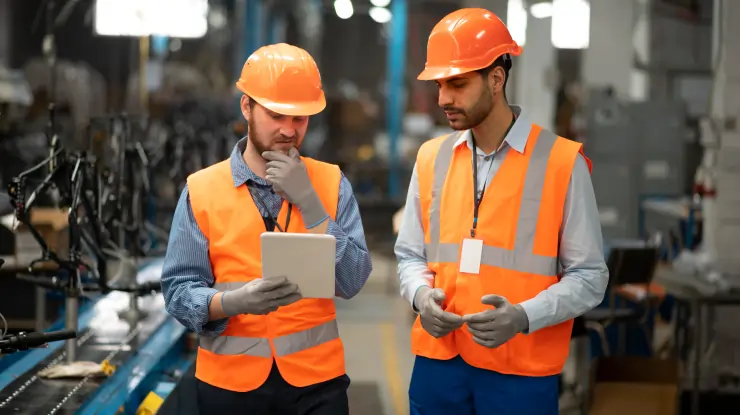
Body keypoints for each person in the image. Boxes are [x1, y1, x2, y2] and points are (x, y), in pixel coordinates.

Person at [394, 8, 609, 415]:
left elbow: (590, 276)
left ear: (496, 78)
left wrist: (524, 317)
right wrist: (422, 297)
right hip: (439, 366)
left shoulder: (562, 164)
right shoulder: (431, 158)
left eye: (457, 84)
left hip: (520, 371)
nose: (443, 98)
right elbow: (409, 255)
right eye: (440, 84)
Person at [160, 43, 373, 415]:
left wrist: (311, 206)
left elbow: (353, 279)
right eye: (277, 115)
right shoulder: (202, 189)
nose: (289, 131)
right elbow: (178, 292)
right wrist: (232, 302)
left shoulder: (330, 183)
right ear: (247, 107)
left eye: (300, 119)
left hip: (316, 387)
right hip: (229, 387)